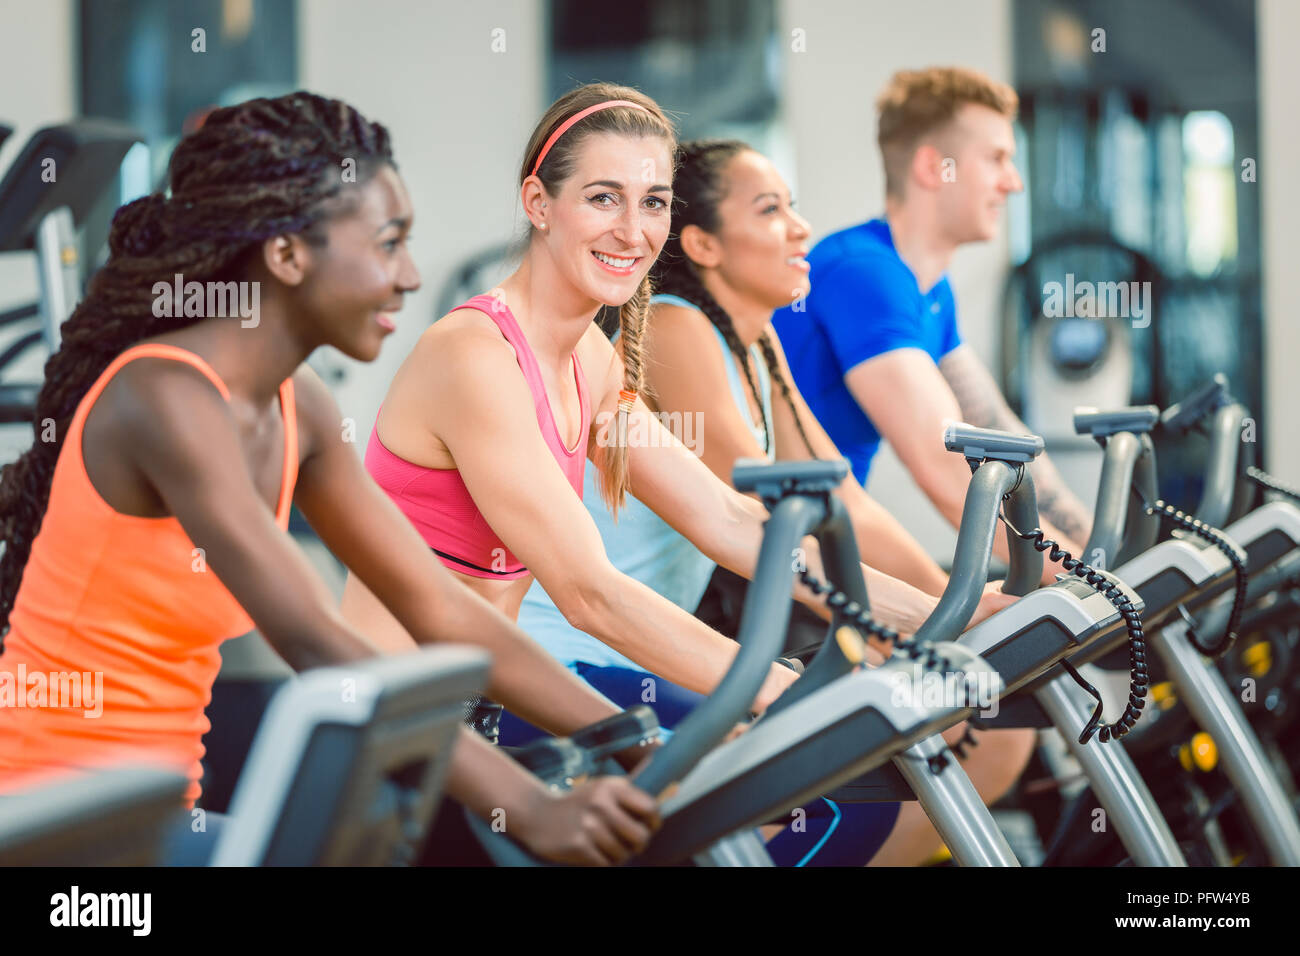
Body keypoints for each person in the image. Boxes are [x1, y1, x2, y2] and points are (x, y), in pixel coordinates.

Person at [342, 83, 1015, 865]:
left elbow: (729, 520)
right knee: (822, 794)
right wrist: (772, 688)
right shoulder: (475, 355)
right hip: (404, 738)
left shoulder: (586, 357)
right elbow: (588, 592)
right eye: (603, 199)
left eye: (653, 202)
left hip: (490, 708)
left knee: (837, 782)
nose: (633, 231)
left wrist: (956, 609)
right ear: (538, 201)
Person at [0, 92, 658, 867]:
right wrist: (529, 807)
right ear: (286, 255)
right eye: (388, 243)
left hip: (157, 822)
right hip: (47, 831)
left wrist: (628, 736)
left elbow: (439, 604)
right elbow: (317, 640)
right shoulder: (166, 401)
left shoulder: (298, 407)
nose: (410, 276)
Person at [506, 138, 1034, 865]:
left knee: (948, 732)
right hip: (573, 653)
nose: (800, 227)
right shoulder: (676, 326)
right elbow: (751, 523)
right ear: (703, 244)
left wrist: (953, 602)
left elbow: (842, 503)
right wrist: (919, 624)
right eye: (771, 209)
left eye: (793, 206)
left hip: (640, 641)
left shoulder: (757, 348)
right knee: (838, 766)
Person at [773, 67, 1094, 584]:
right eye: (996, 159)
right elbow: (950, 471)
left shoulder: (929, 290)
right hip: (765, 566)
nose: (1013, 182)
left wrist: (1098, 553)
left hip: (814, 546)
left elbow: (999, 430)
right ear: (933, 166)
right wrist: (1085, 583)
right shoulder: (864, 272)